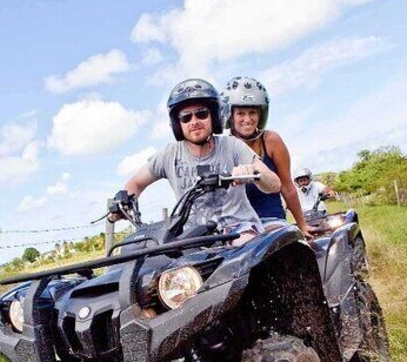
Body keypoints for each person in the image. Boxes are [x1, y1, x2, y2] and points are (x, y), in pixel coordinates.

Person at [117, 78, 280, 245]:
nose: (194, 122)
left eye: (201, 113)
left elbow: (275, 183)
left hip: (238, 230)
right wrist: (122, 204)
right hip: (194, 238)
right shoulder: (169, 155)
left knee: (243, 251)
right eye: (186, 117)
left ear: (214, 116)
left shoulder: (232, 146)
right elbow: (135, 184)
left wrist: (255, 174)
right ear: (177, 124)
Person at [220, 76, 312, 239]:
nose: (247, 120)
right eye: (240, 113)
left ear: (260, 115)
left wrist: (302, 224)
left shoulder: (271, 140)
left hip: (270, 220)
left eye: (252, 113)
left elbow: (287, 186)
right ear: (230, 116)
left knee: (278, 247)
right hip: (236, 226)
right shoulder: (224, 146)